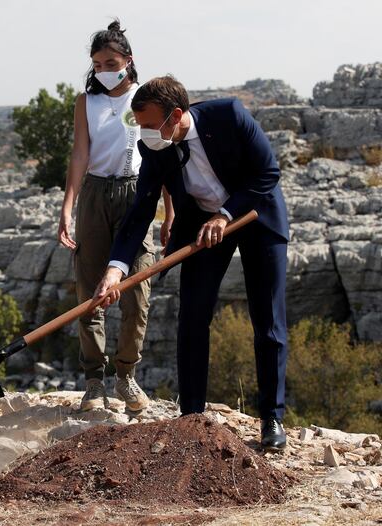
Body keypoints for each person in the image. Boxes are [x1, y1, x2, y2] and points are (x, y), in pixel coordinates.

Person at [95, 76, 290, 450]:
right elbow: (140, 212)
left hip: (254, 216)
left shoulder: (229, 116)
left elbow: (268, 173)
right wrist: (115, 268)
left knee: (268, 321)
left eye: (151, 125)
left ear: (177, 115)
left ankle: (272, 417)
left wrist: (226, 214)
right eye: (140, 125)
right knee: (193, 318)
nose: (146, 133)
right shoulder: (156, 147)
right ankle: (191, 418)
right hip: (202, 229)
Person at [58, 19, 173, 412]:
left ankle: (126, 375)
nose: (105, 71)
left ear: (128, 60)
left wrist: (169, 210)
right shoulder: (85, 102)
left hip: (137, 193)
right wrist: (68, 207)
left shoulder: (144, 97)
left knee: (136, 292)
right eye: (98, 65)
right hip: (95, 193)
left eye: (111, 62)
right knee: (90, 288)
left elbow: (162, 154)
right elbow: (79, 155)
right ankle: (94, 381)